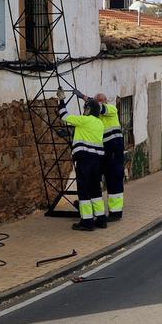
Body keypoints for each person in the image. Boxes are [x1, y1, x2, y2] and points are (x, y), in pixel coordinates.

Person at [58, 92, 106, 231]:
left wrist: (61, 101)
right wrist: (71, 134)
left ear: (89, 110)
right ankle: (101, 219)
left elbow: (64, 116)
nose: (84, 111)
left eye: (86, 109)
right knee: (95, 190)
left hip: (85, 160)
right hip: (97, 161)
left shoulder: (85, 120)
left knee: (84, 191)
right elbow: (83, 133)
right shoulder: (99, 124)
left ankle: (87, 222)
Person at [94, 91, 126, 221]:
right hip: (103, 153)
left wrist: (84, 97)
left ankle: (115, 213)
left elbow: (100, 108)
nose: (100, 103)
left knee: (114, 182)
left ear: (105, 101)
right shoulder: (97, 118)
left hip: (114, 152)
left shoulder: (111, 110)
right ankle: (93, 208)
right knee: (94, 178)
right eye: (98, 101)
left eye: (101, 100)